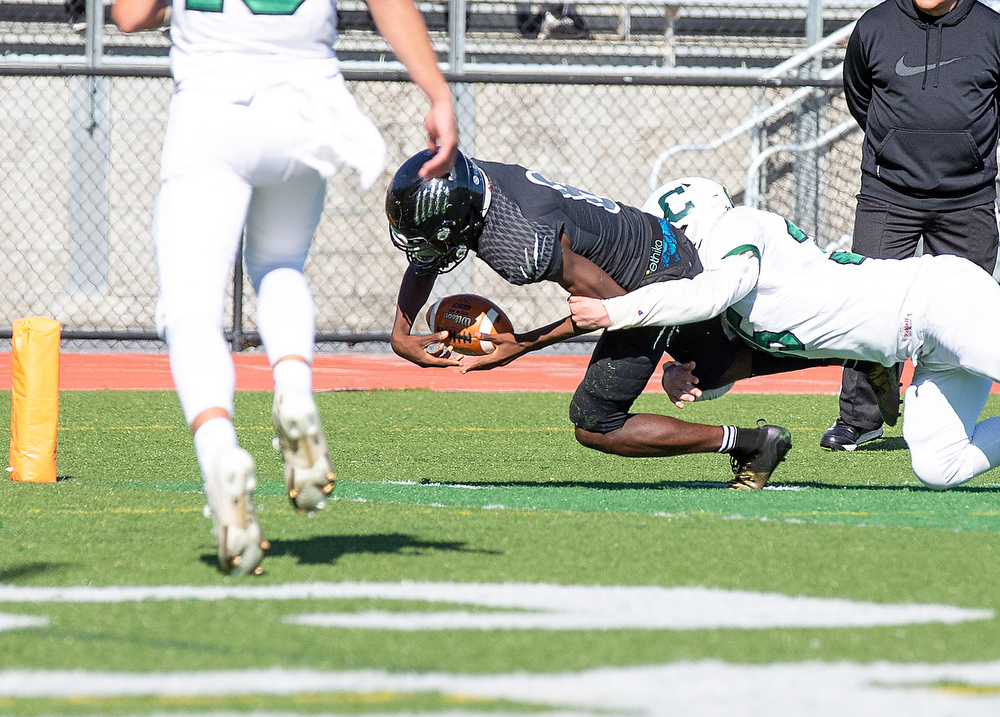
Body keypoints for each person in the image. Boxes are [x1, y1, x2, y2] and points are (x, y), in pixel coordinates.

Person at [112, 0, 458, 575]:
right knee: (280, 265)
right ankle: (294, 391)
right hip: (305, 109)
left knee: (191, 310)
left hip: (213, 107)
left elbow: (129, 14)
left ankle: (219, 450)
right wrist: (438, 93)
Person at [386, 150, 809, 492]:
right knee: (710, 368)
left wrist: (523, 344)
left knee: (596, 422)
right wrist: (400, 333)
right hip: (655, 243)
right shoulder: (473, 178)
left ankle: (752, 443)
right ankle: (840, 358)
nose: (422, 249)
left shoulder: (520, 243)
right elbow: (429, 256)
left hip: (651, 277)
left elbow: (611, 305)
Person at [568, 177, 1000, 489]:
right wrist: (678, 372)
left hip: (937, 301)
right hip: (925, 349)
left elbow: (709, 296)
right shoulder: (727, 287)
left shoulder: (737, 230)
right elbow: (721, 374)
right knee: (939, 465)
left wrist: (614, 311)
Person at [826, 0, 1000, 451]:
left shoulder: (992, 29)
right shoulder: (875, 25)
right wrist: (893, 147)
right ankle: (860, 419)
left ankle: (945, 421)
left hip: (968, 199)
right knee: (867, 307)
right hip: (888, 194)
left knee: (963, 315)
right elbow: (860, 98)